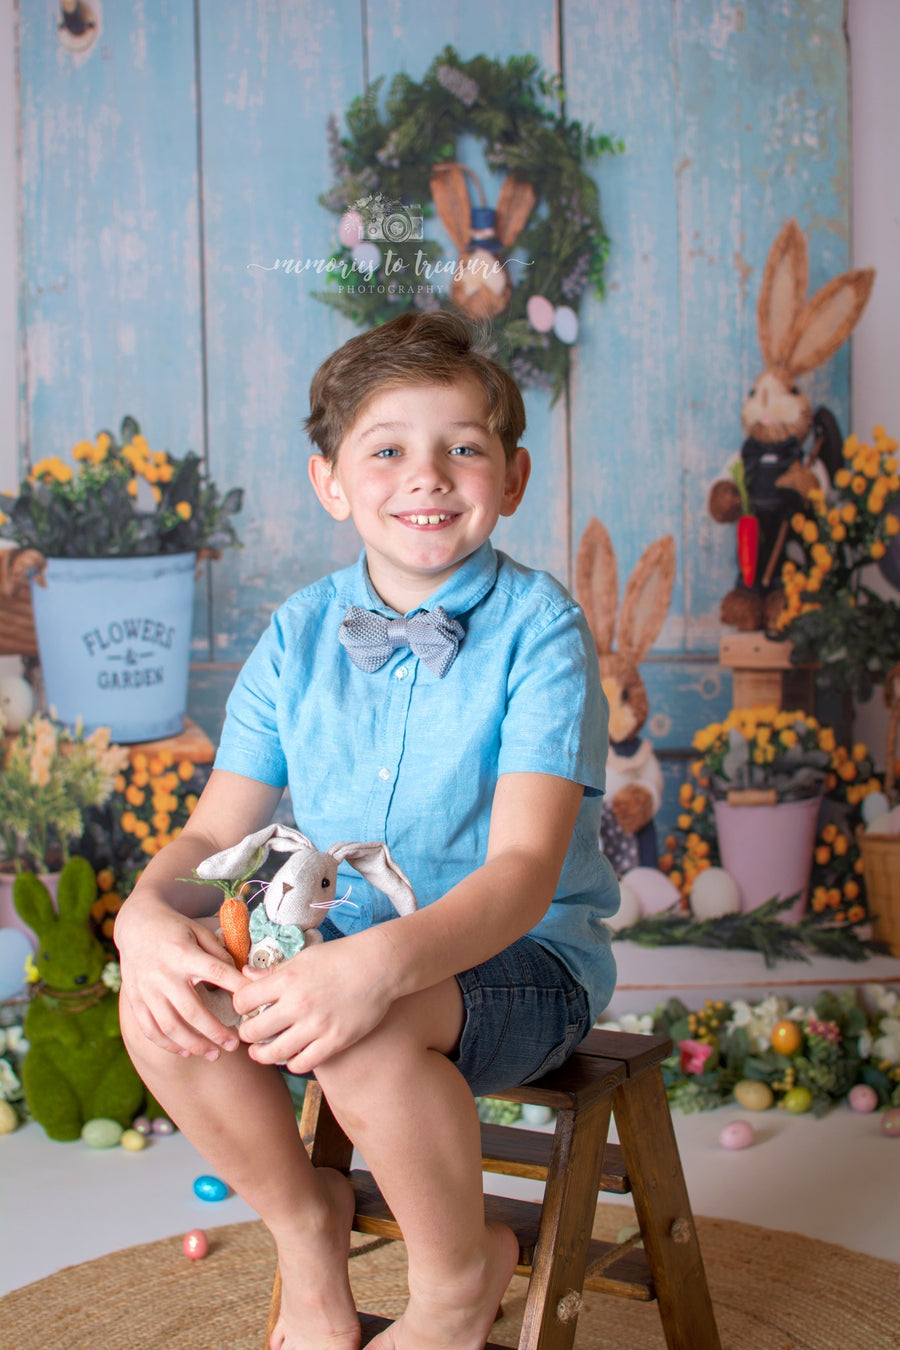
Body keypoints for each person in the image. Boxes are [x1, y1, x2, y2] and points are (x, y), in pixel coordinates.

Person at [115, 311, 620, 1350]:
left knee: (366, 1020)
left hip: (520, 964)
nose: (426, 476)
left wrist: (377, 969)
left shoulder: (542, 632)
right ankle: (309, 1228)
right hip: (330, 958)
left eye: (463, 448)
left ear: (512, 478)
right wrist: (143, 916)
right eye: (388, 449)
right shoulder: (300, 633)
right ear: (332, 483)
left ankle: (453, 1282)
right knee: (160, 999)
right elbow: (218, 827)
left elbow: (525, 872)